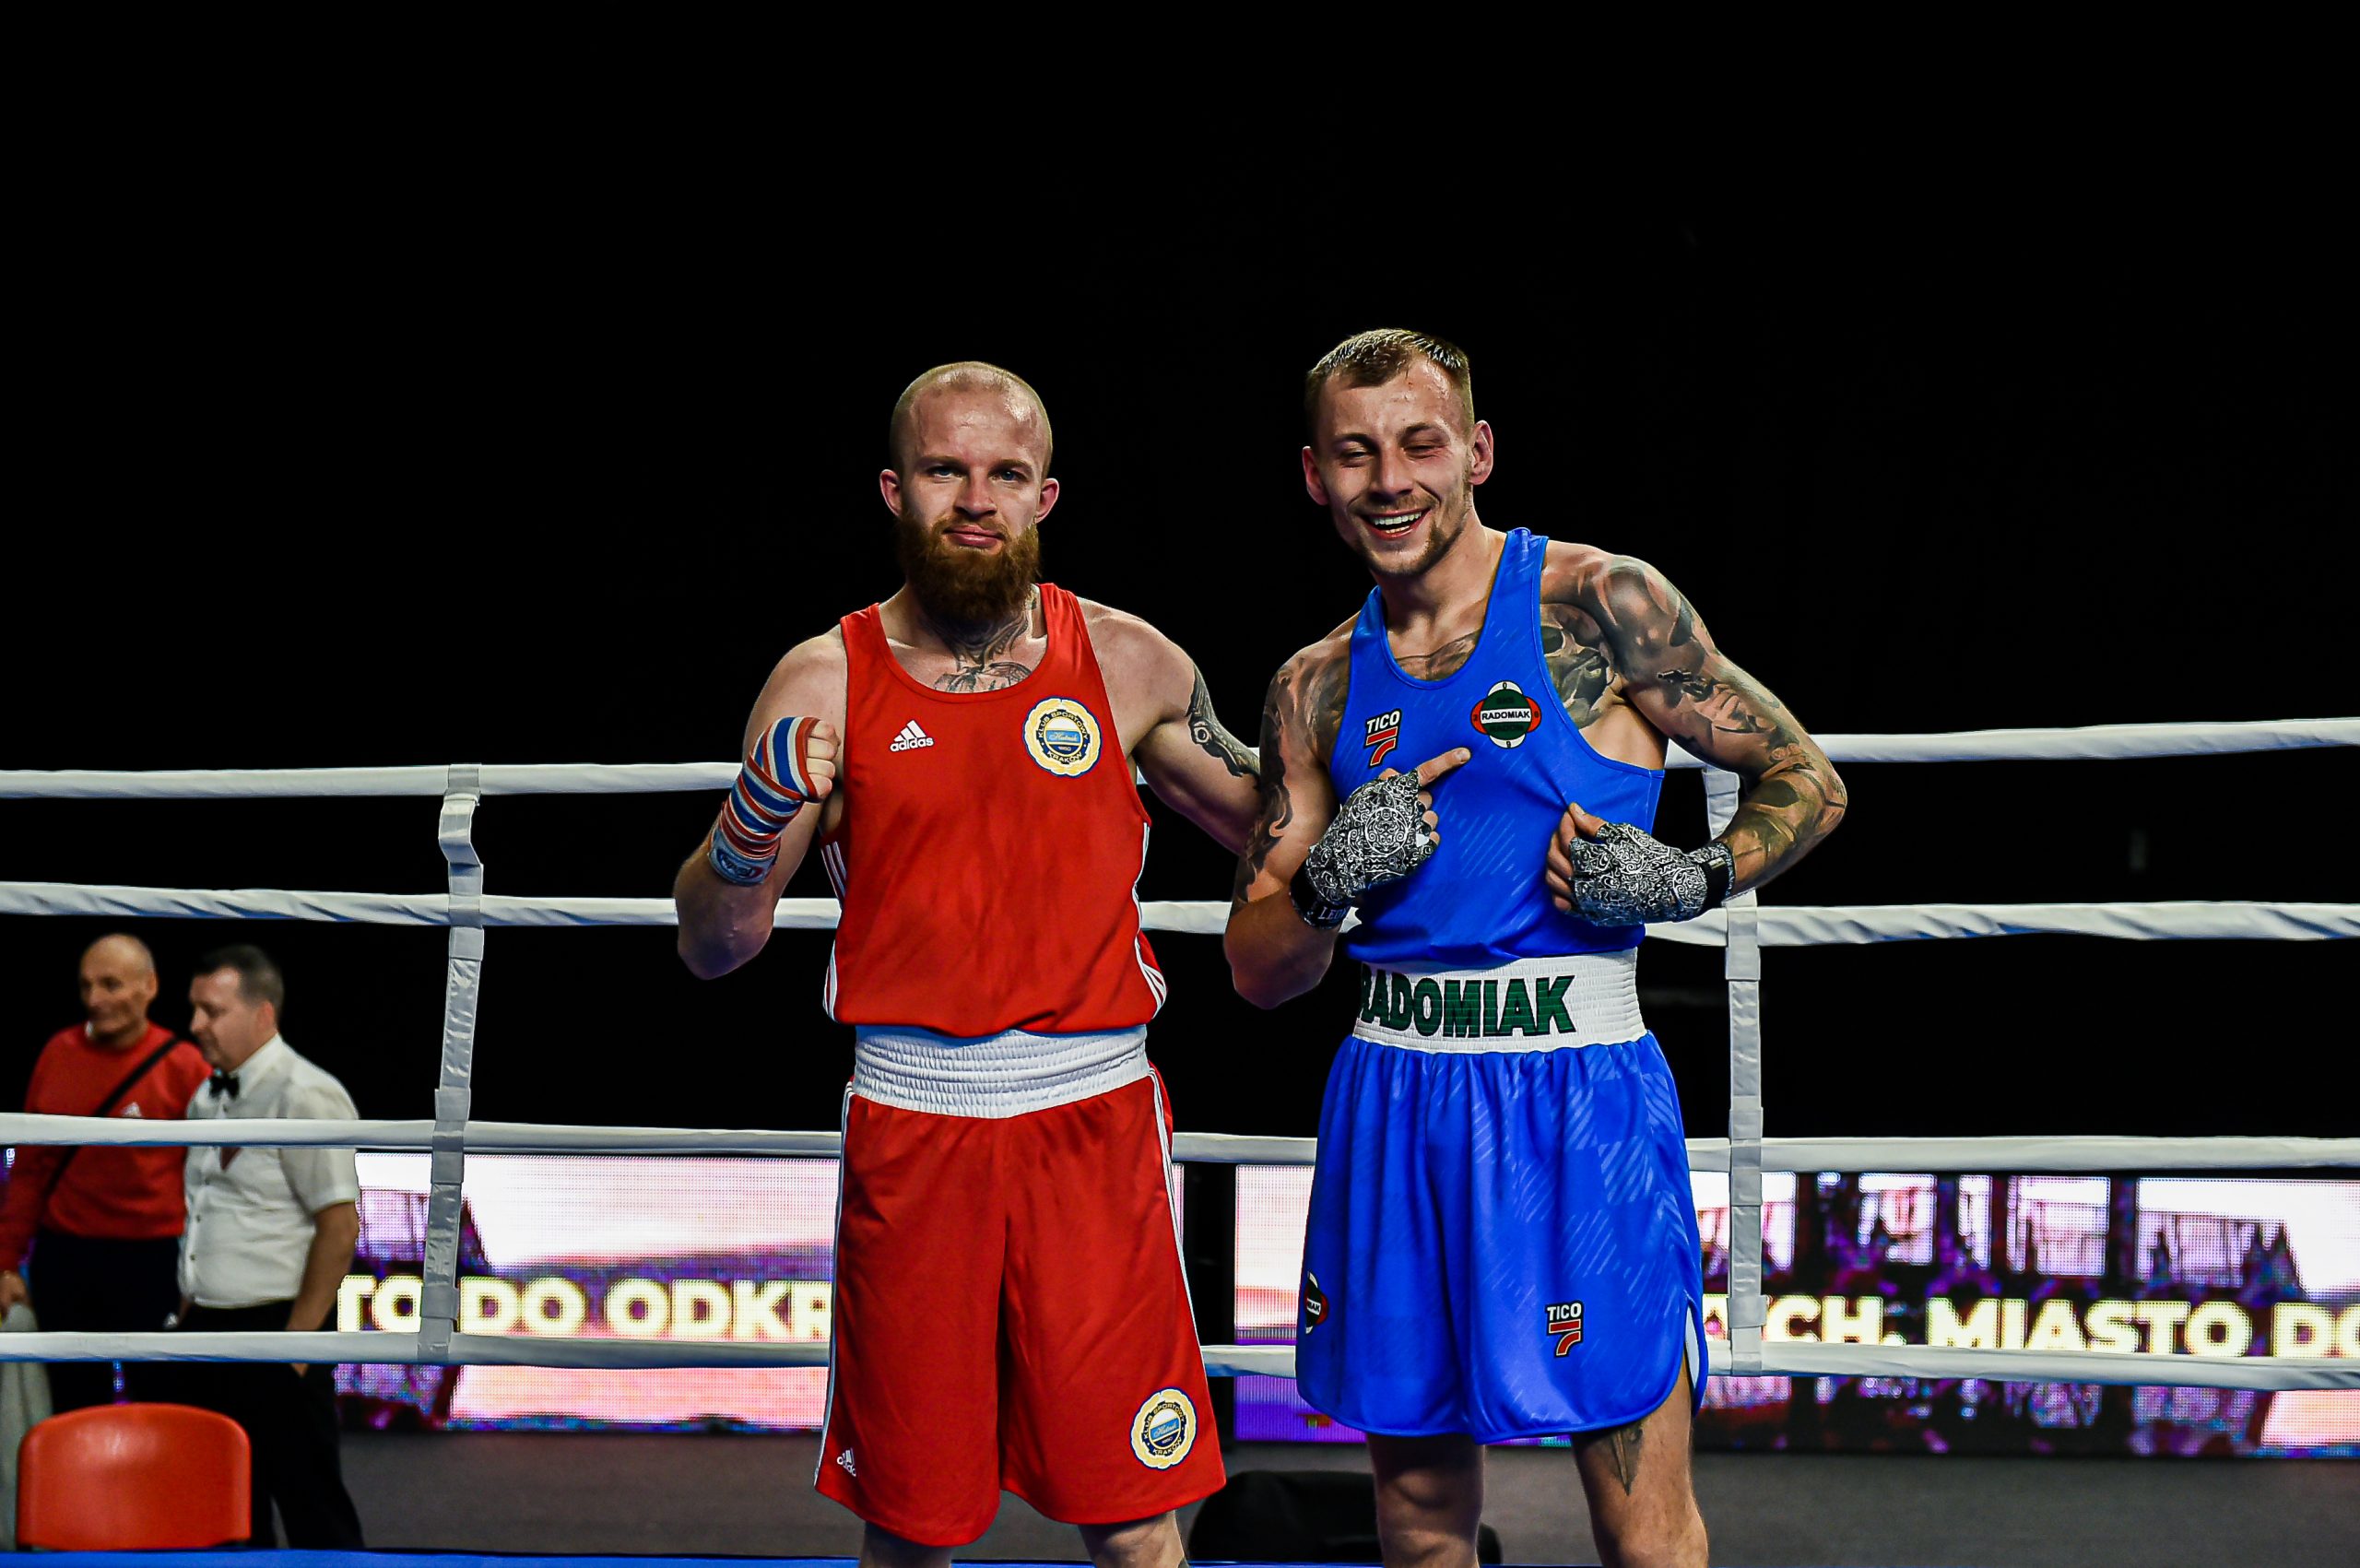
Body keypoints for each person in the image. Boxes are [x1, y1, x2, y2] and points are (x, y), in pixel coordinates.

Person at [1225, 329, 1847, 1568]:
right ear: (1313, 474)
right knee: (1416, 1524)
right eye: (1355, 453)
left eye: (1419, 444)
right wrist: (1332, 883)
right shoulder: (1313, 685)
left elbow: (1807, 778)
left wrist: (1689, 876)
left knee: (1642, 1527)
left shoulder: (1600, 604)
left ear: (1477, 452)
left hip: (1576, 1097)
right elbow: (1257, 966)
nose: (1389, 480)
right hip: (1395, 1091)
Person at [674, 362, 1261, 1568]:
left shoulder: (1129, 660)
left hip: (1093, 1121)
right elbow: (715, 944)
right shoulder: (824, 679)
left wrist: (1377, 815)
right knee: (912, 1525)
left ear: (1047, 495)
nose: (976, 499)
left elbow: (1275, 833)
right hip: (916, 1124)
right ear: (897, 490)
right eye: (946, 471)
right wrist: (745, 828)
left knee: (1134, 1520)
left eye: (1005, 473)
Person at [165, 945, 364, 1548]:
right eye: (195, 1008)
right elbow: (207, 1209)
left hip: (278, 1328)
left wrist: (296, 1347)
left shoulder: (307, 1094)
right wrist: (188, 1308)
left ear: (263, 1014)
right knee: (223, 1513)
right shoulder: (206, 1095)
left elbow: (340, 1226)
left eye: (212, 1010)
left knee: (312, 1508)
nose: (195, 1024)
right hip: (207, 1330)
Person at [0, 934, 208, 1411]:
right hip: (65, 1259)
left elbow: (212, 1182)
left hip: (153, 1263)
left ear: (150, 986)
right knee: (72, 1408)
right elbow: (30, 1170)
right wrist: (6, 1263)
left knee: (161, 1405)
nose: (95, 999)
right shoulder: (58, 1054)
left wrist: (201, 1275)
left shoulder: (185, 1066)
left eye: (111, 984)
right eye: (86, 985)